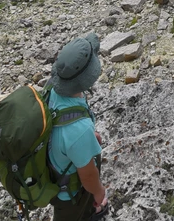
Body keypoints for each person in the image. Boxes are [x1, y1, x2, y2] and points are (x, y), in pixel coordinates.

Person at [48, 32, 108, 220]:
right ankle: (90, 211)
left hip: (54, 167)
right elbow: (89, 177)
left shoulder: (52, 89)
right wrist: (99, 193)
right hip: (68, 194)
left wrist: (87, 139)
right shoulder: (79, 130)